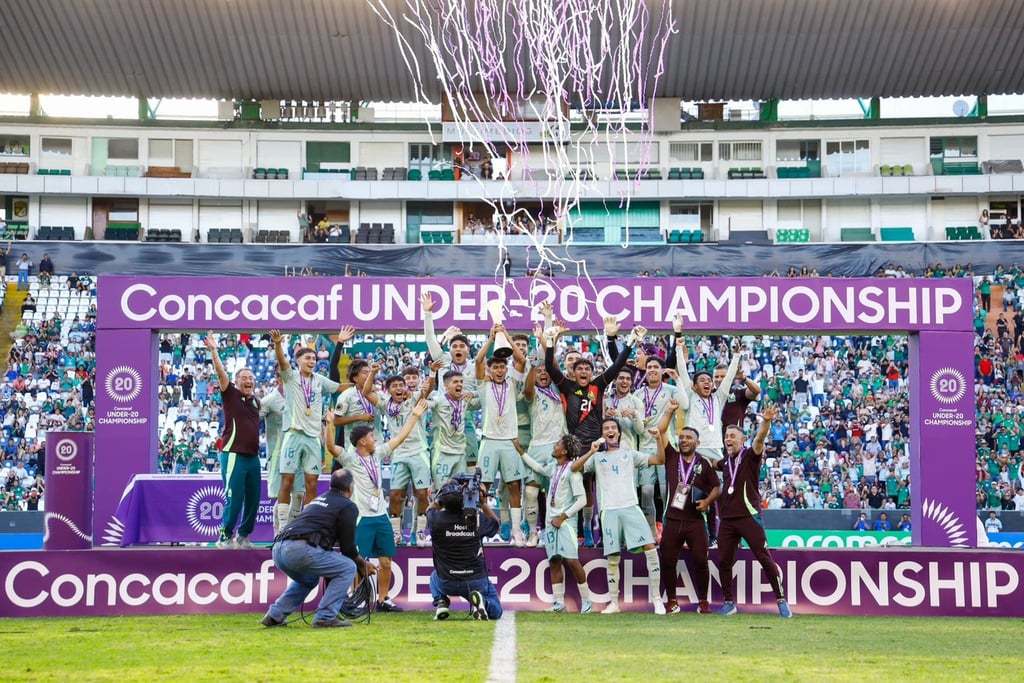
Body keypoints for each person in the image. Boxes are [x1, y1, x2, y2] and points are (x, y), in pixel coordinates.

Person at [325, 399, 428, 612]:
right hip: (362, 517)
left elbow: (400, 438)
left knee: (386, 560)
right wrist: (330, 425)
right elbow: (331, 447)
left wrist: (415, 416)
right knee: (358, 561)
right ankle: (358, 598)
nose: (376, 439)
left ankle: (383, 600)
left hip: (381, 515)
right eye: (372, 436)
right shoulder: (350, 459)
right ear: (363, 441)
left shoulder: (378, 454)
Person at [571, 418, 666, 615]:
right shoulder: (597, 457)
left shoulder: (629, 454)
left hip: (631, 506)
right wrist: (591, 451)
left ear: (619, 432)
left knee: (650, 548)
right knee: (613, 556)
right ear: (602, 434)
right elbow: (575, 468)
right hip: (609, 510)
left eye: (613, 427)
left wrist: (658, 439)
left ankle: (657, 599)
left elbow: (659, 460)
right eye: (606, 428)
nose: (610, 430)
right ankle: (614, 602)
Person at [261, 468, 377, 628]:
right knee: (348, 567)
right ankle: (325, 616)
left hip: (279, 549)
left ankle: (275, 615)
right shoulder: (348, 506)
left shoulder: (319, 500)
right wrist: (362, 564)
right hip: (300, 549)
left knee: (309, 579)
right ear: (350, 487)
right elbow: (348, 549)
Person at [271, 326, 351, 532]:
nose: (311, 361)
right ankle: (282, 528)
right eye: (307, 358)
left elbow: (338, 387)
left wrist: (362, 384)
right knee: (287, 481)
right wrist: (278, 344)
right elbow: (282, 361)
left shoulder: (319, 380)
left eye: (314, 358)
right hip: (293, 434)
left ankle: (307, 526)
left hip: (314, 438)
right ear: (298, 361)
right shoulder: (290, 377)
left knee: (312, 483)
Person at [715, 404, 792, 618]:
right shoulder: (725, 462)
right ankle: (729, 603)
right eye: (726, 436)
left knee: (763, 557)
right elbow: (714, 464)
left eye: (732, 436)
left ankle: (781, 600)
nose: (728, 439)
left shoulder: (750, 455)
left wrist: (765, 422)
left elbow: (759, 440)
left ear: (742, 440)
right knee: (724, 561)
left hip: (749, 516)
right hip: (728, 520)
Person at [362, 360, 437, 546]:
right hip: (399, 453)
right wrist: (373, 372)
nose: (399, 388)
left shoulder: (413, 398)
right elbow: (366, 392)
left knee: (422, 494)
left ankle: (420, 532)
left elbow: (428, 389)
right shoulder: (385, 404)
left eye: (401, 385)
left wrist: (432, 373)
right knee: (396, 494)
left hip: (419, 452)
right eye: (394, 386)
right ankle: (396, 533)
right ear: (388, 390)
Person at [515, 434, 592, 614]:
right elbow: (537, 467)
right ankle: (559, 603)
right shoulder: (553, 468)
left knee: (572, 561)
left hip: (565, 523)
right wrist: (520, 451)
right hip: (551, 523)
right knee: (554, 561)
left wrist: (563, 517)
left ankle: (587, 601)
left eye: (557, 444)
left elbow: (582, 500)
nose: (554, 446)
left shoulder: (573, 472)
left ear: (564, 451)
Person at [653, 413, 720, 615]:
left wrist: (707, 502)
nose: (684, 440)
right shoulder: (671, 457)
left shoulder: (704, 462)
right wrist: (670, 411)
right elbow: (661, 431)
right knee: (668, 561)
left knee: (701, 561)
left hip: (695, 521)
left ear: (697, 443)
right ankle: (672, 601)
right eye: (682, 437)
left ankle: (703, 602)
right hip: (672, 520)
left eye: (689, 438)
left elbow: (717, 487)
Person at [205, 332, 261, 549]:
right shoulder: (231, 394)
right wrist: (214, 351)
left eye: (251, 378)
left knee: (253, 500)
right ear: (236, 382)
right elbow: (220, 373)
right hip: (234, 454)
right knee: (234, 498)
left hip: (253, 457)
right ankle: (225, 537)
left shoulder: (256, 402)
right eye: (244, 378)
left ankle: (243, 536)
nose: (248, 380)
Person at [474, 322, 528, 545]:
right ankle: (480, 528)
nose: (498, 370)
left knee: (514, 485)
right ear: (489, 370)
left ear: (506, 369)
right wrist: (491, 338)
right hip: (489, 440)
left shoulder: (512, 383)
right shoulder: (483, 385)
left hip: (509, 441)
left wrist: (505, 335)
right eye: (495, 367)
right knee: (482, 488)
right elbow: (478, 361)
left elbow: (522, 361)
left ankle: (516, 529)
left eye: (501, 367)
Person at [427, 477, 503, 621]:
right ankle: (482, 602)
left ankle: (441, 602)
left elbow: (429, 509)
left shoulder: (435, 520)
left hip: (447, 581)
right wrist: (483, 503)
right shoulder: (476, 519)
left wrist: (441, 495)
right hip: (475, 580)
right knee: (497, 611)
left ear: (442, 500)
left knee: (433, 577)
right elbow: (495, 524)